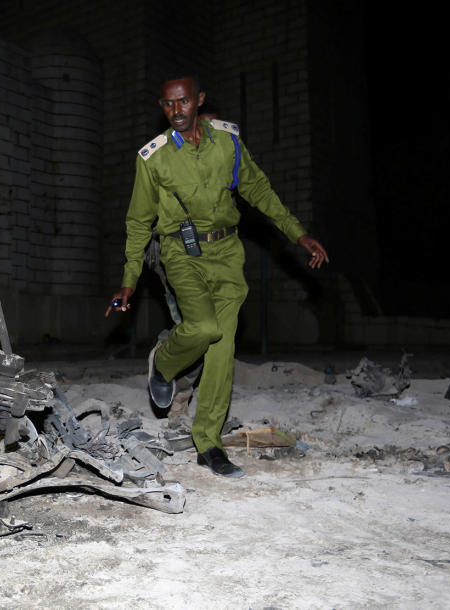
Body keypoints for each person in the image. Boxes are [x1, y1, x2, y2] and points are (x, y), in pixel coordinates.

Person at [105, 74, 328, 478]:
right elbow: (139, 222)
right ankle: (165, 365)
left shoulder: (227, 142)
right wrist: (129, 280)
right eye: (169, 105)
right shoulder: (153, 158)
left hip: (227, 252)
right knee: (203, 327)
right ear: (163, 106)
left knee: (222, 349)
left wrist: (299, 233)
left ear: (198, 100)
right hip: (181, 252)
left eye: (184, 102)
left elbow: (259, 190)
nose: (176, 111)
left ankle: (207, 443)